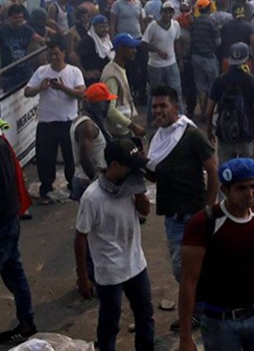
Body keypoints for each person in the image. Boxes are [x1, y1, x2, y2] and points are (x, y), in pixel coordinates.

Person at [178, 158, 254, 351]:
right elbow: (189, 281)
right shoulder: (204, 223)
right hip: (220, 322)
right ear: (225, 191)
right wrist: (185, 337)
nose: (250, 194)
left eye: (253, 186)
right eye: (241, 188)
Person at [146, 83, 219, 330]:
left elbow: (212, 169)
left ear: (175, 107)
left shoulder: (190, 135)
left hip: (193, 213)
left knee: (188, 269)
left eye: (163, 105)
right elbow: (156, 174)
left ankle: (199, 312)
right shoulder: (157, 139)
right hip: (172, 215)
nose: (158, 110)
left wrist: (209, 208)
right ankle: (200, 309)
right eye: (154, 106)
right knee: (183, 271)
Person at [74, 138, 154, 351]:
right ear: (114, 166)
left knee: (145, 316)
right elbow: (80, 238)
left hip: (136, 265)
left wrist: (139, 192)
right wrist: (83, 278)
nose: (133, 172)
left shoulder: (130, 186)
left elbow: (145, 212)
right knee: (110, 324)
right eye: (130, 167)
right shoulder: (92, 198)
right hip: (109, 273)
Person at [24, 37, 85, 204]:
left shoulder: (73, 72)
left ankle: (73, 187)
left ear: (64, 53)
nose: (53, 57)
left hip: (68, 121)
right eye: (51, 54)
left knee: (70, 157)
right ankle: (46, 189)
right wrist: (40, 88)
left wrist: (62, 88)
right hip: (46, 122)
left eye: (56, 54)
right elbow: (27, 92)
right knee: (45, 159)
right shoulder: (42, 71)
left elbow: (81, 93)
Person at [0, 125, 37, 345]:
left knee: (14, 272)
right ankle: (26, 323)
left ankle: (27, 323)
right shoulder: (3, 144)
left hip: (4, 223)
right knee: (14, 271)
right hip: (9, 220)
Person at [206, 43, 254, 164]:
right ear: (247, 60)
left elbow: (209, 112)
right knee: (246, 173)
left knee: (226, 174)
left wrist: (209, 131)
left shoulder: (219, 81)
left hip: (225, 136)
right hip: (246, 135)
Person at [70, 83, 117, 201]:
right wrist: (96, 181)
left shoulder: (88, 120)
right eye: (106, 102)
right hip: (86, 181)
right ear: (98, 104)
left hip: (86, 180)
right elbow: (85, 158)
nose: (108, 106)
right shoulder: (87, 126)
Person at [102, 34, 146, 139]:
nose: (135, 51)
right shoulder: (112, 75)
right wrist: (133, 126)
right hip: (118, 133)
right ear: (121, 49)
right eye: (131, 48)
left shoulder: (119, 69)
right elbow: (110, 110)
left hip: (123, 129)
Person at [142, 0, 183, 114]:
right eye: (165, 12)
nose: (168, 15)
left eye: (170, 12)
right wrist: (158, 51)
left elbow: (177, 41)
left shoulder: (175, 25)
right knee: (154, 93)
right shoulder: (153, 26)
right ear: (161, 12)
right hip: (155, 65)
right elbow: (144, 43)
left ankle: (179, 115)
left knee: (176, 91)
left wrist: (179, 60)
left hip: (172, 62)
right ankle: (152, 118)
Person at [110, 0, 147, 105]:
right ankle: (129, 93)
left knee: (142, 67)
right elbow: (112, 23)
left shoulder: (138, 3)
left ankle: (141, 94)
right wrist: (112, 40)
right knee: (129, 68)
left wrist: (145, 36)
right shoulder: (117, 5)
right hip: (124, 40)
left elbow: (141, 21)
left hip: (137, 38)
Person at [189, 0, 220, 119]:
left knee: (201, 87)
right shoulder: (211, 22)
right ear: (208, 8)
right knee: (213, 86)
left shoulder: (194, 22)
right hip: (209, 57)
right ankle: (211, 114)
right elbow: (218, 41)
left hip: (196, 57)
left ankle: (203, 113)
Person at [0, 4, 43, 90]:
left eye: (20, 17)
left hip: (25, 70)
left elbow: (38, 38)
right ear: (9, 18)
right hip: (9, 73)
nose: (19, 20)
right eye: (15, 17)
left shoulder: (26, 29)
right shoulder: (2, 32)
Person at [78, 15, 114, 85]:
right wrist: (85, 73)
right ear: (94, 28)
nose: (105, 29)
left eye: (106, 27)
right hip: (93, 81)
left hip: (106, 77)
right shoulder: (87, 41)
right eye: (102, 27)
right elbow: (75, 58)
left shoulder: (107, 40)